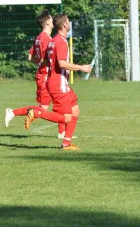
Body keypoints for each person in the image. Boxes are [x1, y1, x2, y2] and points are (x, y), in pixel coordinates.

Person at [24, 13, 91, 151]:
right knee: (66, 117)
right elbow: (62, 63)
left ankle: (67, 143)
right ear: (65, 25)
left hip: (57, 82)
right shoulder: (60, 41)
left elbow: (43, 60)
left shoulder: (53, 40)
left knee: (75, 110)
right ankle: (37, 113)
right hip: (58, 83)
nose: (69, 23)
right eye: (68, 21)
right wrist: (80, 67)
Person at [4, 9, 66, 137]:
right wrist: (52, 64)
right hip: (45, 76)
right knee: (42, 109)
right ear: (47, 23)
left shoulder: (40, 37)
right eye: (50, 18)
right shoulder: (45, 39)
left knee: (59, 103)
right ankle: (12, 112)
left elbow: (30, 57)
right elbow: (45, 59)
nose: (52, 20)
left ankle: (62, 132)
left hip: (47, 75)